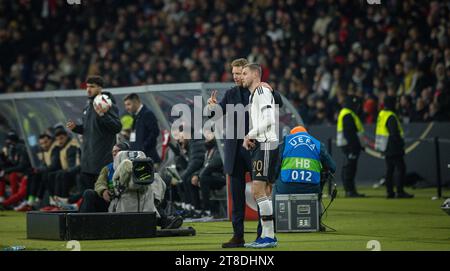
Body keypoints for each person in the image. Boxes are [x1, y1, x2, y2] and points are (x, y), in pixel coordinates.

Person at [207, 58, 282, 248]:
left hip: (255, 146)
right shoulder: (231, 94)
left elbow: (276, 103)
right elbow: (216, 114)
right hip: (235, 150)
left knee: (261, 191)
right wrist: (211, 108)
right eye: (233, 74)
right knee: (238, 196)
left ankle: (262, 235)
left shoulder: (260, 90)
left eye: (239, 73)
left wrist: (271, 88)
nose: (236, 77)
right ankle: (238, 236)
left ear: (248, 72)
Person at [241, 63, 279, 249]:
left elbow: (269, 120)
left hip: (265, 145)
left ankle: (269, 237)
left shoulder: (261, 91)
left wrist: (250, 135)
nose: (242, 76)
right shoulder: (256, 93)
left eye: (245, 73)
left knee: (258, 191)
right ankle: (266, 235)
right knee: (265, 192)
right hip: (265, 144)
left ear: (255, 74)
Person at [66, 75, 122, 194]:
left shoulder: (106, 103)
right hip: (88, 159)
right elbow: (88, 129)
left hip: (101, 159)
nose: (88, 89)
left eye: (92, 86)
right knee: (87, 193)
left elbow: (117, 127)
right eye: (87, 87)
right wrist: (76, 128)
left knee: (101, 194)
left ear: (100, 88)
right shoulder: (88, 105)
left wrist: (103, 115)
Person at [375, 96, 414, 199]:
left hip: (384, 146)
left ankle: (390, 192)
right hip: (393, 147)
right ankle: (400, 191)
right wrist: (401, 144)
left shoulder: (382, 114)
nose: (397, 104)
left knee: (390, 170)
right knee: (401, 168)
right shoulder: (391, 116)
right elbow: (394, 133)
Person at [190, 131, 226, 218]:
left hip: (221, 177)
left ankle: (207, 210)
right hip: (210, 177)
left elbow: (214, 164)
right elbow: (204, 166)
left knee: (203, 179)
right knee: (190, 179)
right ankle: (197, 208)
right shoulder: (207, 152)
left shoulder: (220, 148)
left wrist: (200, 176)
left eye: (208, 137)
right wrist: (196, 174)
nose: (206, 140)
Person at [336, 95, 366, 197]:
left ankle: (349, 190)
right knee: (350, 168)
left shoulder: (347, 113)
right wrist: (355, 146)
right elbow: (349, 133)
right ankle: (350, 191)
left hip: (348, 145)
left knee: (348, 167)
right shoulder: (348, 114)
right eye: (356, 104)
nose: (358, 106)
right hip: (350, 146)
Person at [123, 93, 161, 165]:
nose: (126, 108)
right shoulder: (136, 116)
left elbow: (155, 132)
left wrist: (143, 147)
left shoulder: (147, 114)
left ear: (136, 102)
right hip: (139, 158)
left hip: (148, 158)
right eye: (125, 105)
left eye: (128, 104)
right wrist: (129, 136)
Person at [0, 131, 31, 210]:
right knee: (4, 177)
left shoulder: (21, 148)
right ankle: (3, 198)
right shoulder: (12, 149)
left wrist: (6, 170)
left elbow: (22, 165)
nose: (7, 142)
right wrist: (3, 158)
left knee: (13, 176)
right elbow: (13, 163)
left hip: (27, 174)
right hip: (22, 173)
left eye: (9, 141)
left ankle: (8, 202)